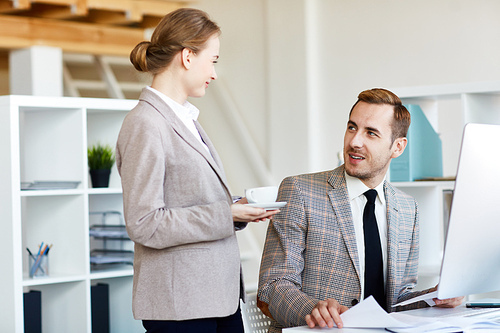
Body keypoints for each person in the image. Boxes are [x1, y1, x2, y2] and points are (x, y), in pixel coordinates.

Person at [116, 8, 278, 333]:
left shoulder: (185, 119)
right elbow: (144, 223)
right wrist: (225, 214)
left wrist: (237, 209)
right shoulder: (146, 124)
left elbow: (188, 200)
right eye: (213, 59)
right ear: (188, 56)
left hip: (216, 298)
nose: (214, 72)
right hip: (182, 308)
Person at [257, 88, 463, 332]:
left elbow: (394, 302)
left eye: (371, 133)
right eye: (352, 127)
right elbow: (272, 287)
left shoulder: (408, 209)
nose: (354, 141)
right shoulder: (300, 191)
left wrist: (434, 297)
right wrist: (313, 310)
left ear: (397, 147)